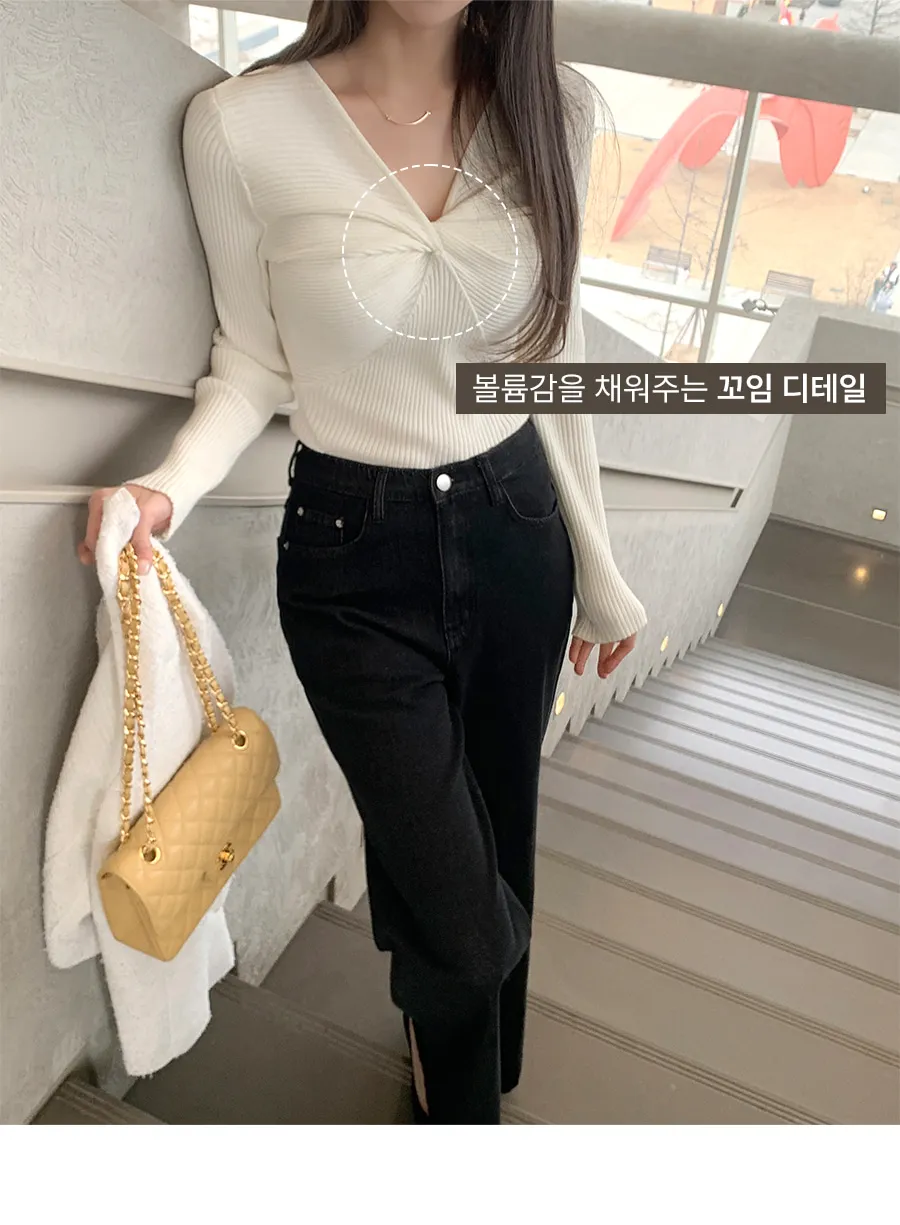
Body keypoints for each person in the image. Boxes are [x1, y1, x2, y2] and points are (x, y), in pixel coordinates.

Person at [78, 0, 647, 1125]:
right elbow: (250, 359)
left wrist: (601, 566)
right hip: (351, 559)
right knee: (459, 898)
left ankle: (471, 1068)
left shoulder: (556, 109)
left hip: (517, 523)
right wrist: (169, 485)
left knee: (499, 826)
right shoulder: (242, 128)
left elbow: (555, 356)